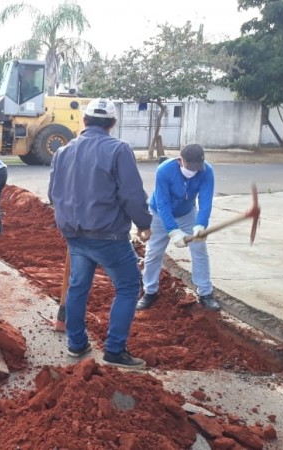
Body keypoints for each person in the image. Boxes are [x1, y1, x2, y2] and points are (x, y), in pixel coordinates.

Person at [48, 98, 152, 368]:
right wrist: (143, 223)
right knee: (129, 287)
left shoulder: (63, 151)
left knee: (78, 287)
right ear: (112, 123)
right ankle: (115, 351)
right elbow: (131, 194)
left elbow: (53, 194)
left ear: (84, 121)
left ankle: (76, 344)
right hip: (108, 236)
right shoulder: (118, 149)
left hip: (75, 235)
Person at [136, 144, 221, 311]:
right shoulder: (164, 170)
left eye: (198, 168)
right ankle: (150, 291)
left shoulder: (206, 171)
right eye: (191, 168)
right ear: (180, 160)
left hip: (187, 213)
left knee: (199, 249)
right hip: (159, 214)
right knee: (154, 252)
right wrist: (173, 230)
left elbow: (205, 202)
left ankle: (205, 292)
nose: (194, 172)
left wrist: (201, 224)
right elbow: (163, 204)